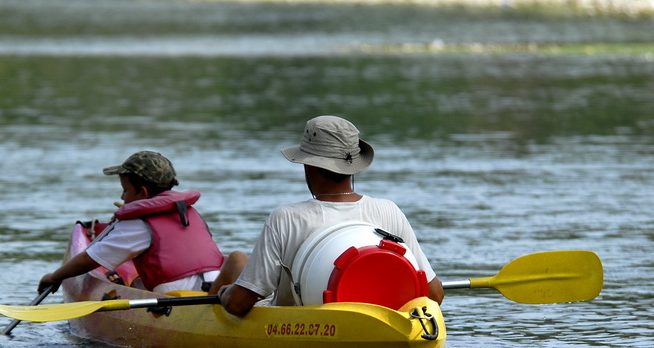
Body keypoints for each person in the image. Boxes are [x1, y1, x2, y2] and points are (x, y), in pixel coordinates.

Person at [211, 115, 444, 316]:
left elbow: (239, 304)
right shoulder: (388, 211)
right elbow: (434, 294)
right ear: (353, 168)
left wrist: (224, 293)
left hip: (301, 328)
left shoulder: (286, 218)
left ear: (309, 167)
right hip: (381, 323)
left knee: (234, 266)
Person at [37, 151, 225, 296]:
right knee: (138, 282)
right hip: (214, 286)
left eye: (125, 190)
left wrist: (56, 276)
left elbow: (89, 259)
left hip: (178, 298)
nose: (122, 196)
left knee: (137, 284)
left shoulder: (138, 223)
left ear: (142, 192)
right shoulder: (189, 213)